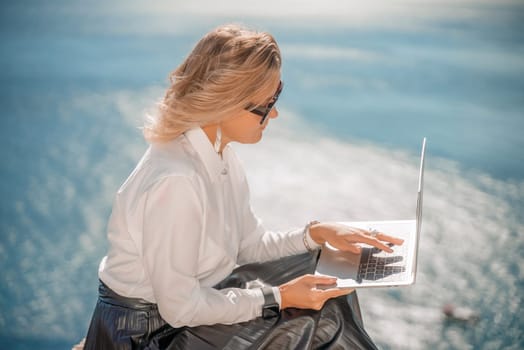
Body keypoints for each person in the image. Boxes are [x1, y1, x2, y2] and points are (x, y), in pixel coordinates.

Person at [83, 23, 404, 350]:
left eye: (276, 96)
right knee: (322, 322)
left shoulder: (219, 156)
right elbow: (181, 308)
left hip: (186, 306)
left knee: (326, 273)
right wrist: (278, 297)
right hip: (145, 334)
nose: (274, 113)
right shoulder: (177, 182)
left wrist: (316, 234)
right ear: (225, 102)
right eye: (266, 104)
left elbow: (249, 245)